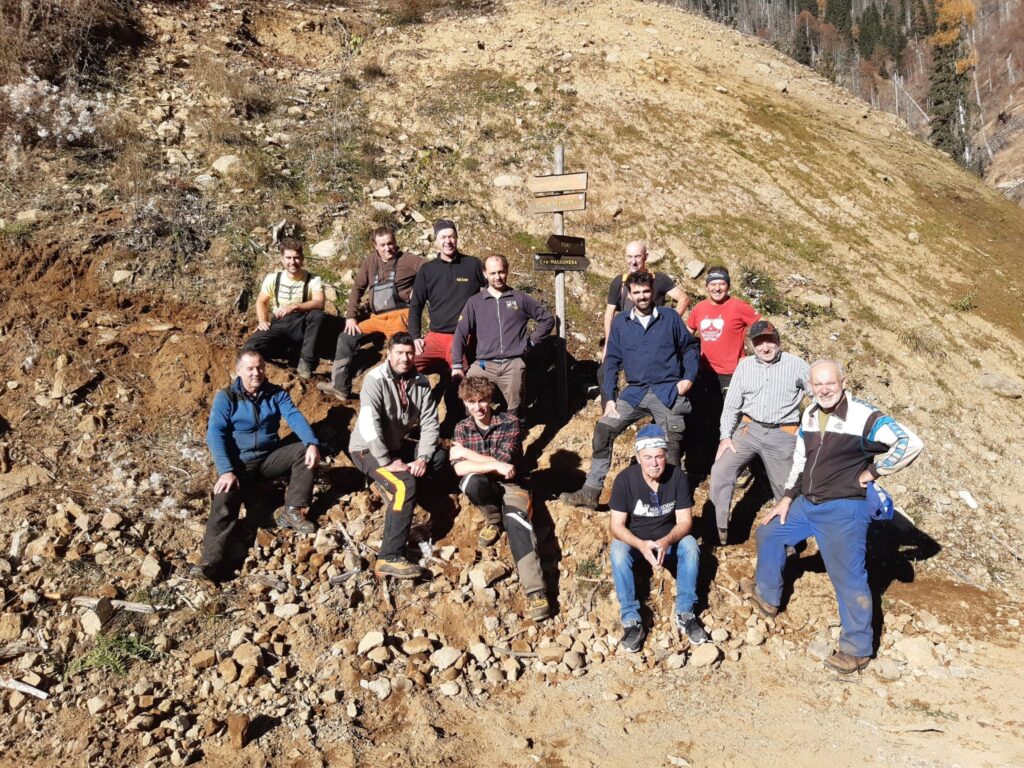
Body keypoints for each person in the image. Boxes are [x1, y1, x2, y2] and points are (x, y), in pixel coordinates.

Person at [740, 359, 924, 674]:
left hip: (844, 508)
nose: (823, 390)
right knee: (770, 533)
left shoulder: (864, 416)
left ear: (843, 382)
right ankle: (768, 596)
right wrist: (786, 498)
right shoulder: (810, 414)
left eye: (830, 383)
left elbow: (910, 442)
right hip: (807, 502)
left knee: (848, 576)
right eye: (817, 384)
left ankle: (857, 648)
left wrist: (874, 471)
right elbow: (800, 461)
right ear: (810, 387)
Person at [560, 271, 698, 510]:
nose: (643, 296)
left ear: (653, 291)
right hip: (634, 393)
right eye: (637, 292)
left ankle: (673, 502)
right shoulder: (621, 322)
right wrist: (610, 399)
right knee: (603, 430)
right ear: (629, 294)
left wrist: (688, 378)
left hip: (667, 392)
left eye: (646, 292)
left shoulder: (670, 318)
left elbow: (690, 348)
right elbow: (611, 361)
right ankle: (591, 492)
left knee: (671, 446)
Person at [194, 349, 321, 580]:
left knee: (304, 451)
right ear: (239, 371)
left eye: (260, 367)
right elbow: (215, 434)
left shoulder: (275, 394)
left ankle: (292, 510)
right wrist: (226, 471)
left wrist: (312, 443)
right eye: (250, 368)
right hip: (238, 466)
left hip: (268, 460)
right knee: (224, 500)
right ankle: (210, 562)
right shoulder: (227, 397)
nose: (256, 373)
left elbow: (293, 416)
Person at [450, 377, 549, 621]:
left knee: (517, 523)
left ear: (490, 399)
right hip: (488, 483)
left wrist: (466, 454)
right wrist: (493, 464)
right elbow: (459, 470)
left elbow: (505, 464)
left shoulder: (510, 423)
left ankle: (536, 591)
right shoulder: (462, 428)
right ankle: (494, 521)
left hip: (512, 485)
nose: (478, 407)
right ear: (465, 402)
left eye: (482, 400)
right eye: (471, 402)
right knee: (473, 482)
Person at [349, 332, 446, 579]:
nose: (405, 358)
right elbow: (370, 425)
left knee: (439, 458)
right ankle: (389, 556)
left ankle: (394, 489)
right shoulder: (375, 380)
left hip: (395, 446)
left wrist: (423, 457)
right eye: (400, 353)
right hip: (368, 449)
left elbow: (430, 423)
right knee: (405, 484)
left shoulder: (421, 382)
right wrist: (387, 462)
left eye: (409, 353)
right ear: (390, 354)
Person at [608, 425, 709, 652]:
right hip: (637, 543)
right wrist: (640, 545)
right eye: (648, 457)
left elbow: (685, 522)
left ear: (666, 456)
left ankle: (685, 612)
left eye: (659, 457)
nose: (654, 463)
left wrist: (667, 540)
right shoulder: (625, 480)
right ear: (638, 457)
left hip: (668, 543)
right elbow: (616, 526)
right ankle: (631, 619)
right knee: (617, 550)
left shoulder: (678, 478)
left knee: (691, 545)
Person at [709, 320, 810, 545]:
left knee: (787, 486)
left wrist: (814, 428)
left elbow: (818, 395)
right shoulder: (745, 366)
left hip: (784, 433)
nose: (765, 347)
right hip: (748, 429)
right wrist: (725, 436)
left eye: (769, 341)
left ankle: (791, 538)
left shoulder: (797, 365)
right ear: (751, 345)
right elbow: (732, 406)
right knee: (721, 470)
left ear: (778, 341)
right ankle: (718, 531)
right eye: (759, 342)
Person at [320, 226, 423, 399]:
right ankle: (340, 386)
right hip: (375, 318)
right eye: (382, 245)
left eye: (390, 243)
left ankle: (401, 396)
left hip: (399, 316)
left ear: (395, 242)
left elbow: (432, 271)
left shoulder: (407, 259)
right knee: (346, 338)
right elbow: (357, 288)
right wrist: (351, 316)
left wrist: (419, 290)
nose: (387, 248)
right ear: (375, 246)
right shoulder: (370, 262)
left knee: (398, 353)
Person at [450, 255, 555, 419]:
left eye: (501, 272)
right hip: (483, 364)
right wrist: (456, 364)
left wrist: (531, 342)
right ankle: (474, 436)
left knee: (515, 407)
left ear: (507, 271)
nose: (497, 277)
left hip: (512, 363)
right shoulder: (475, 302)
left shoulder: (519, 298)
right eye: (492, 273)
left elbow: (547, 319)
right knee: (470, 399)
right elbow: (461, 333)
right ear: (485, 274)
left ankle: (514, 438)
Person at [407, 219, 486, 431]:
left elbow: (493, 291)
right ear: (436, 241)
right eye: (443, 237)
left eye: (451, 236)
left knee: (457, 376)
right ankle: (409, 415)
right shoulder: (427, 270)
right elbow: (416, 306)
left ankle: (454, 424)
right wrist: (415, 337)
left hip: (462, 336)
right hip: (435, 335)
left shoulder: (473, 265)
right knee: (405, 363)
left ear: (457, 238)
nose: (448, 241)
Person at [685, 267, 760, 469]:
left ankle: (738, 464)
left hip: (732, 374)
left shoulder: (738, 306)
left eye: (722, 284)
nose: (717, 288)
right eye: (713, 284)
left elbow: (762, 326)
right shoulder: (700, 308)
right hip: (705, 372)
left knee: (732, 418)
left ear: (728, 286)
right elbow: (687, 332)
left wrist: (752, 357)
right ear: (707, 286)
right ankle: (706, 458)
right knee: (704, 414)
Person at [599, 241, 690, 405]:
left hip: (653, 340)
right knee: (604, 372)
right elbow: (609, 314)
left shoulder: (659, 279)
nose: (633, 261)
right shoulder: (619, 282)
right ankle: (610, 410)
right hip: (626, 338)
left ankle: (660, 415)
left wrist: (669, 324)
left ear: (646, 257)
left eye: (637, 256)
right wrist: (608, 343)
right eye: (629, 256)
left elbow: (683, 298)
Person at [243, 237, 325, 379]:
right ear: (282, 259)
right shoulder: (273, 278)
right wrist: (263, 321)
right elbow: (261, 301)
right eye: (288, 258)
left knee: (318, 315)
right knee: (250, 347)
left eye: (296, 258)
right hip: (279, 322)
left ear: (303, 258)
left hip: (300, 324)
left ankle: (306, 362)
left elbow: (319, 303)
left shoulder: (313, 279)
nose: (292, 262)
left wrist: (294, 306)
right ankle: (269, 365)